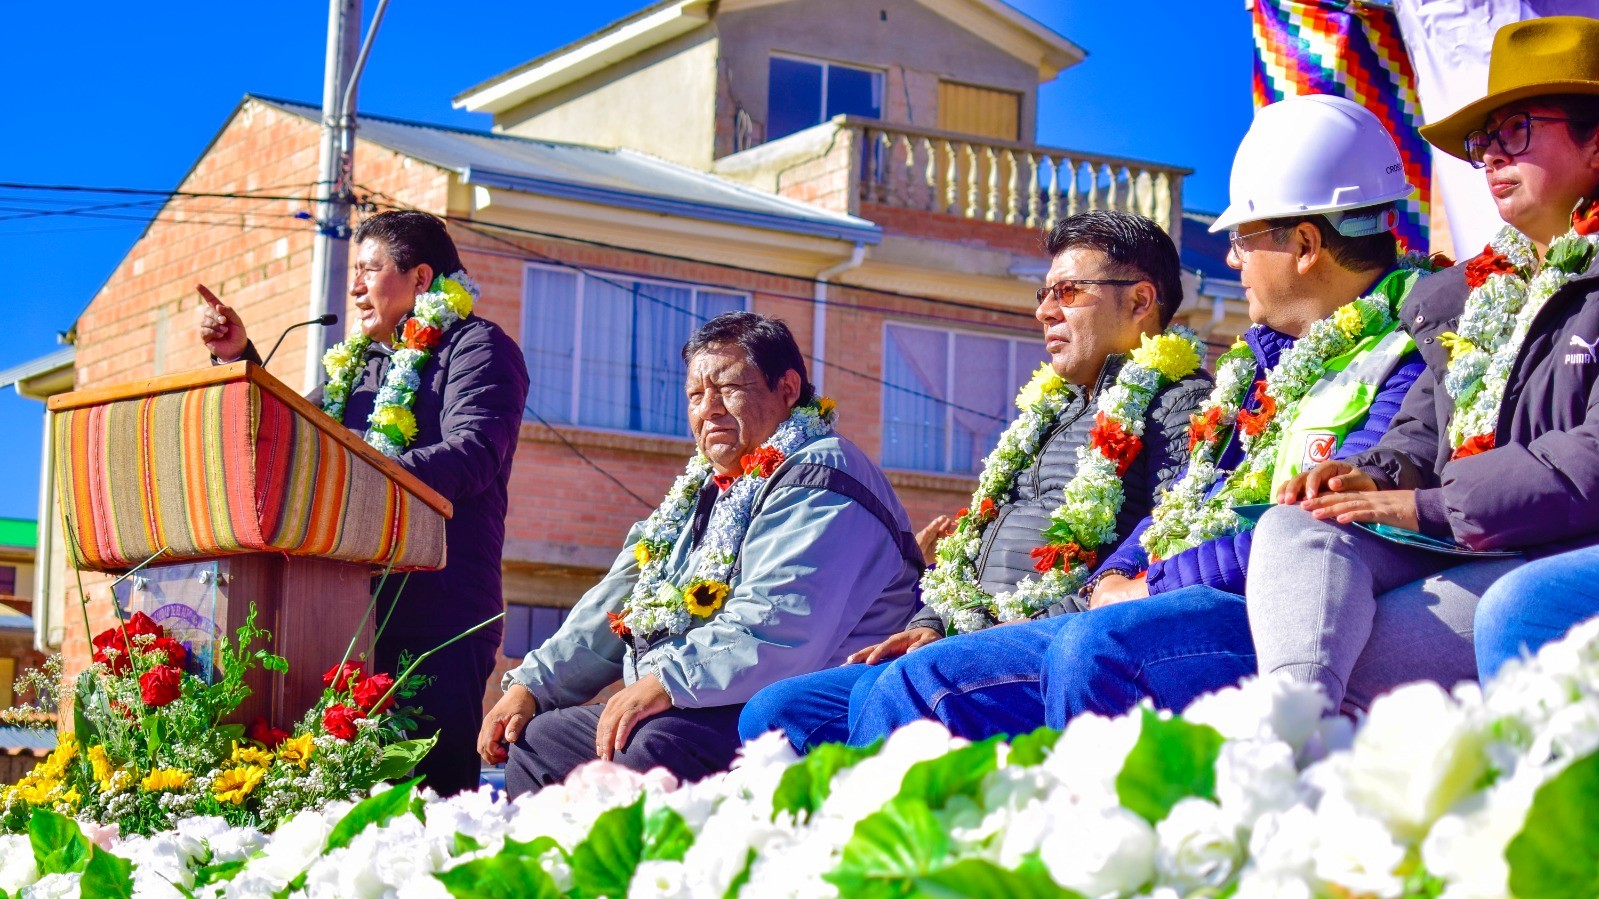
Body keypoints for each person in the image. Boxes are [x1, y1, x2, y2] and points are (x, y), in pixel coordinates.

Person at [850, 94, 1433, 740]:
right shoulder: (1264, 366)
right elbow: (1190, 497)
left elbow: (1317, 528)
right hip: (1179, 598)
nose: (1231, 261)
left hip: (1280, 616)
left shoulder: (1411, 351)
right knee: (864, 690)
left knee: (1031, 662)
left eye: (1240, 239)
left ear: (1302, 245)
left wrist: (1152, 584)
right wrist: (1113, 576)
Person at [735, 212, 1211, 753]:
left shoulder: (1179, 403)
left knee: (902, 691)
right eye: (1044, 291)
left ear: (1141, 300)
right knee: (776, 715)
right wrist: (932, 622)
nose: (1044, 311)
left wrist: (1005, 630)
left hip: (1053, 638)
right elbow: (975, 548)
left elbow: (1162, 554)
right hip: (964, 637)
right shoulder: (1044, 412)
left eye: (1069, 291)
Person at [1246, 15, 1599, 714]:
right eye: (1483, 140)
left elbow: (1589, 459)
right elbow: (1423, 430)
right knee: (1293, 526)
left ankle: (1294, 751)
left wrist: (1425, 503)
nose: (1492, 157)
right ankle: (1291, 745)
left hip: (1559, 551)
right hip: (1467, 543)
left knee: (1371, 647)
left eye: (1516, 131)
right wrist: (1370, 474)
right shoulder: (1470, 293)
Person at [481, 312, 922, 794]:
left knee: (648, 749)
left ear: (788, 389)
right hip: (702, 697)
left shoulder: (822, 472)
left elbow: (780, 622)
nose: (708, 409)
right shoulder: (702, 491)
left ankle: (662, 870)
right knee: (541, 740)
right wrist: (532, 686)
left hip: (803, 709)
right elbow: (617, 602)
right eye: (695, 394)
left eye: (729, 388)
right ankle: (562, 869)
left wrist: (666, 680)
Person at [198, 210, 530, 794]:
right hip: (342, 613)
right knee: (345, 797)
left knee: (431, 797)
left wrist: (356, 479)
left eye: (369, 270)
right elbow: (291, 437)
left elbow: (473, 453)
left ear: (421, 279)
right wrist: (239, 359)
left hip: (440, 613)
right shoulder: (358, 368)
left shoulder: (478, 349)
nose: (354, 287)